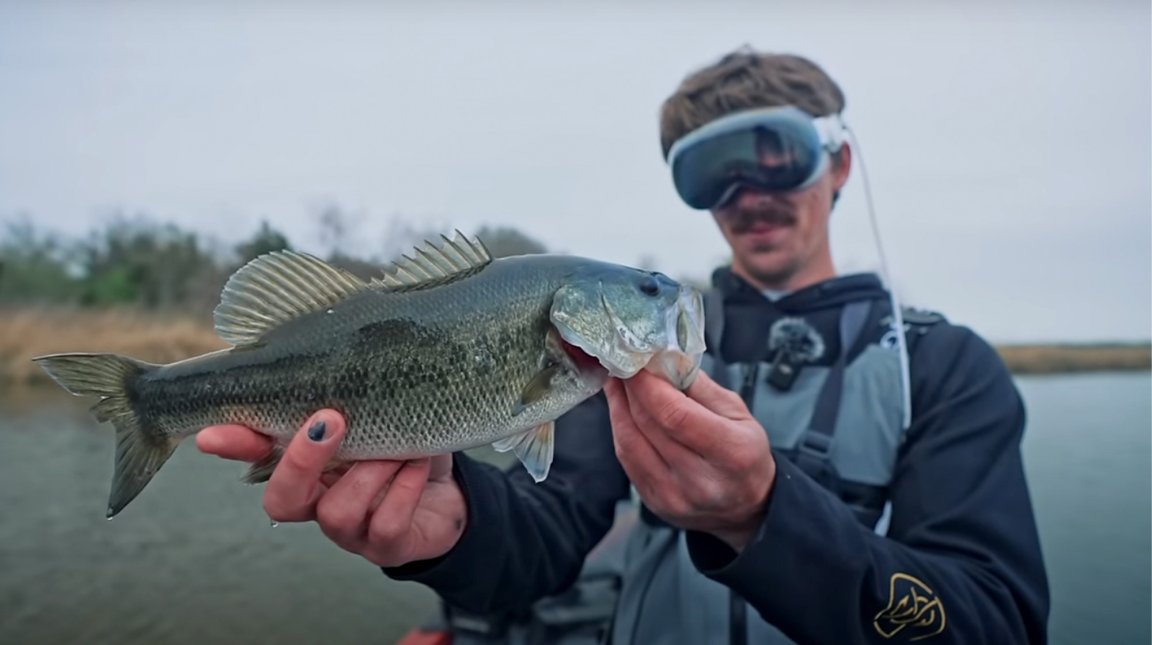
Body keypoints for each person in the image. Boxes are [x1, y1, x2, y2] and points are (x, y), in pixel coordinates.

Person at [196, 48, 1050, 644]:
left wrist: (766, 517)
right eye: (712, 172)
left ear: (838, 165)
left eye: (776, 156)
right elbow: (551, 529)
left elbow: (996, 624)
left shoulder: (944, 370)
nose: (748, 194)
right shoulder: (622, 359)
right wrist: (455, 528)